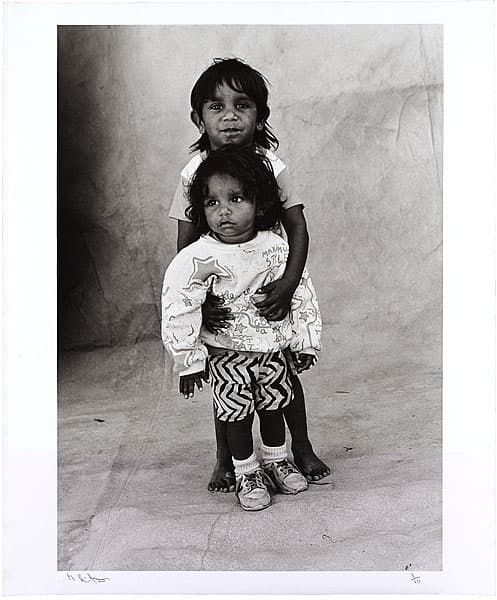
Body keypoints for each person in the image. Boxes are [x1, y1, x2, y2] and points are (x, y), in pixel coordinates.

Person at [168, 57, 330, 492]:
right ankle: (228, 458)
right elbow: (184, 252)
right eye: (216, 107)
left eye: (243, 106)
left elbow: (297, 226)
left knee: (282, 374)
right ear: (198, 118)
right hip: (223, 292)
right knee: (229, 382)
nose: (231, 117)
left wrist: (289, 283)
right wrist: (201, 304)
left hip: (269, 285)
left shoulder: (271, 167)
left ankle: (301, 447)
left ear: (260, 115)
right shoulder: (190, 175)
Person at [162, 147, 322, 511]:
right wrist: (188, 362)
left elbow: (301, 291)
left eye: (236, 199)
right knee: (236, 415)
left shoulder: (274, 248)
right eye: (212, 203)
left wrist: (305, 341)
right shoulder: (197, 257)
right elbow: (178, 305)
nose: (224, 211)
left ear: (260, 205)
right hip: (226, 353)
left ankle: (277, 460)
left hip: (271, 351)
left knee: (272, 409)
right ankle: (246, 470)